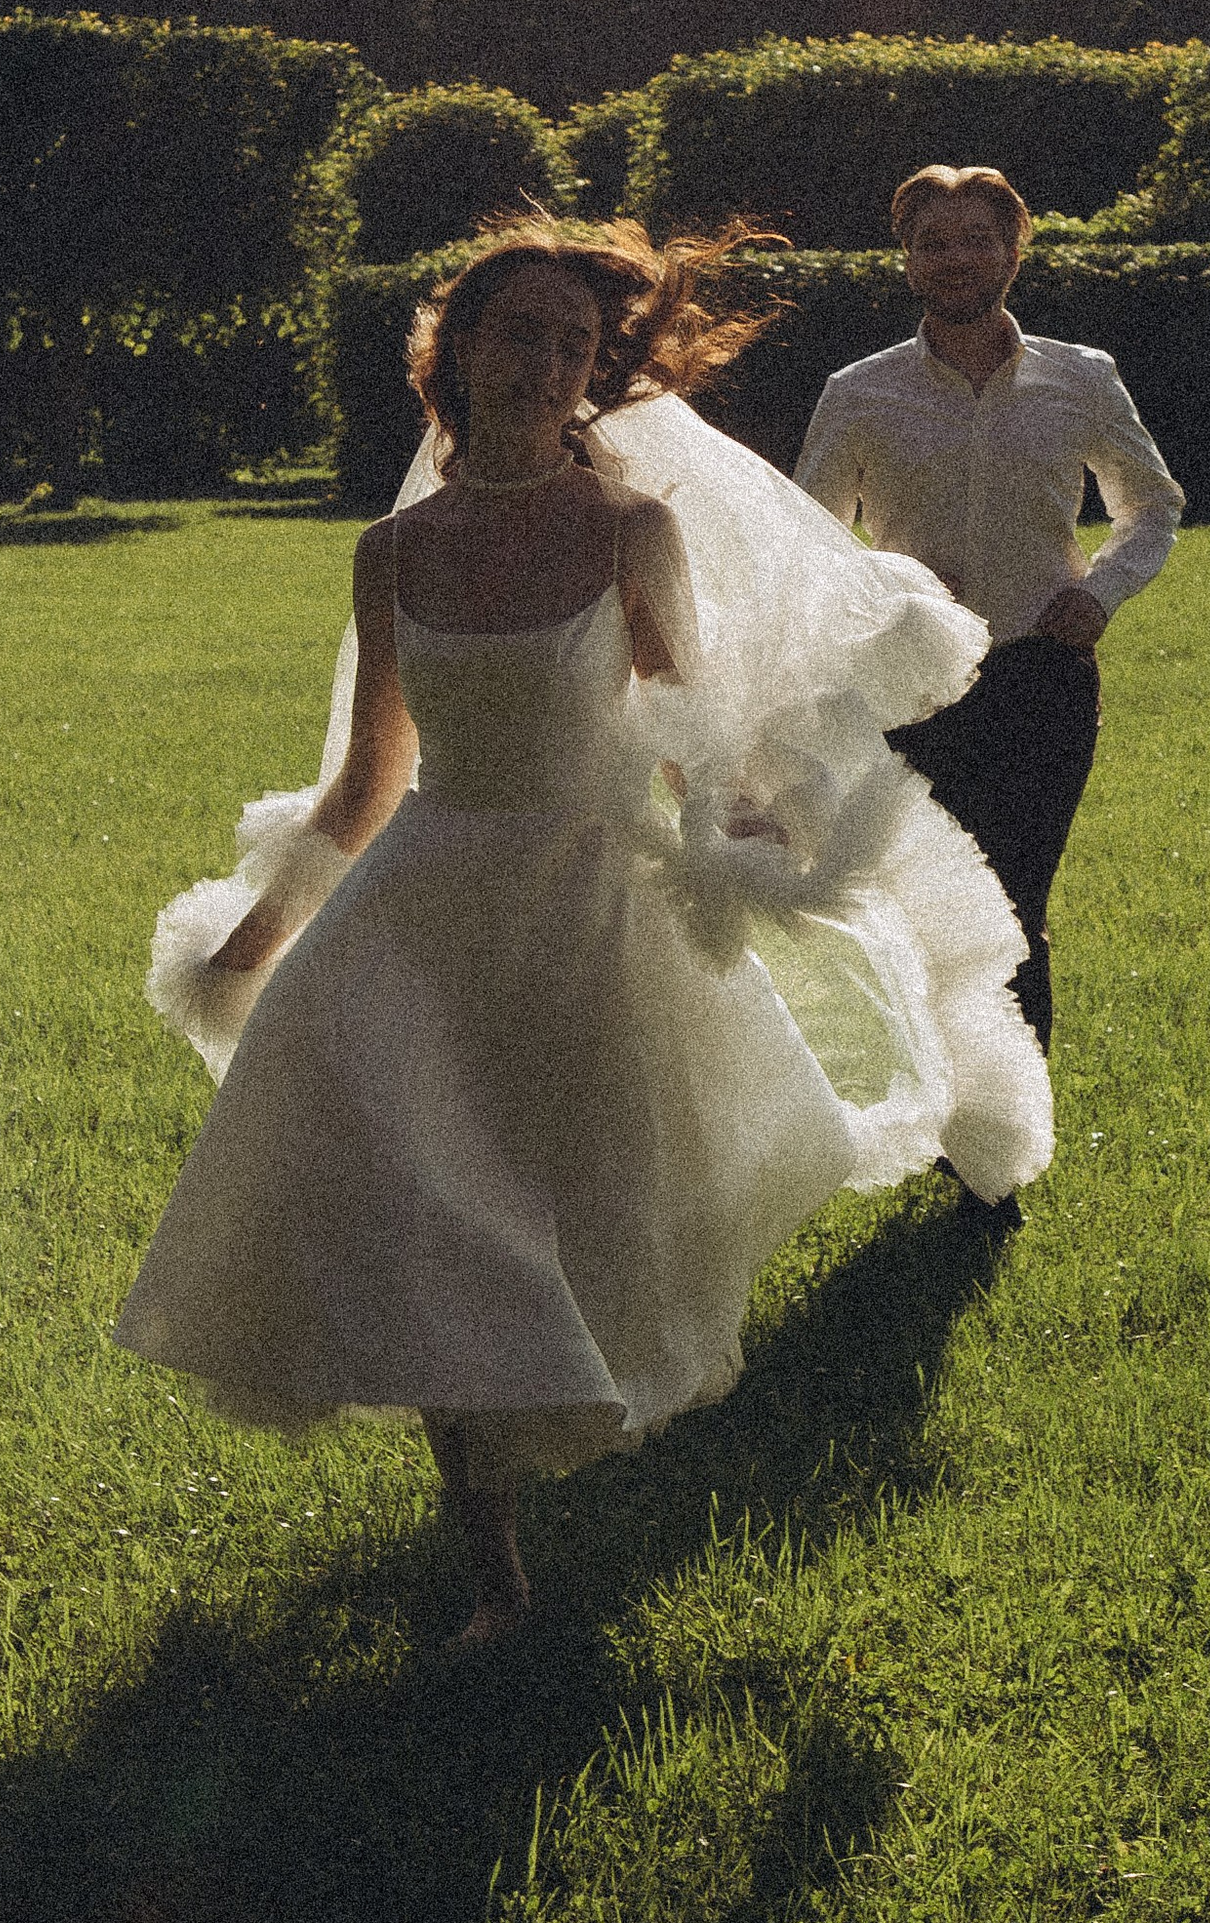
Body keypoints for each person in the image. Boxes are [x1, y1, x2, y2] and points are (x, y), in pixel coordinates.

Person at [118, 216, 1053, 1645]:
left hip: (589, 907)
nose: (548, 363)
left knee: (589, 1207)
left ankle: (575, 1442)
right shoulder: (393, 550)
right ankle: (494, 1577)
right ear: (457, 354)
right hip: (423, 913)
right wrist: (245, 947)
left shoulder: (631, 531)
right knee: (434, 1207)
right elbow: (367, 783)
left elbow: (689, 735)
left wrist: (759, 841)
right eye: (521, 335)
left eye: (574, 343)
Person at [795, 164, 1183, 1083]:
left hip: (1039, 675)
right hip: (909, 686)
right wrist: (891, 589)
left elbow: (1152, 504)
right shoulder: (858, 392)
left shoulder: (1082, 378)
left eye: (977, 240)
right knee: (917, 910)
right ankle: (932, 1113)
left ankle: (1007, 1131)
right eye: (934, 243)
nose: (956, 259)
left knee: (1014, 907)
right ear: (907, 261)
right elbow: (810, 538)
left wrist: (1101, 593)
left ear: (1015, 252)